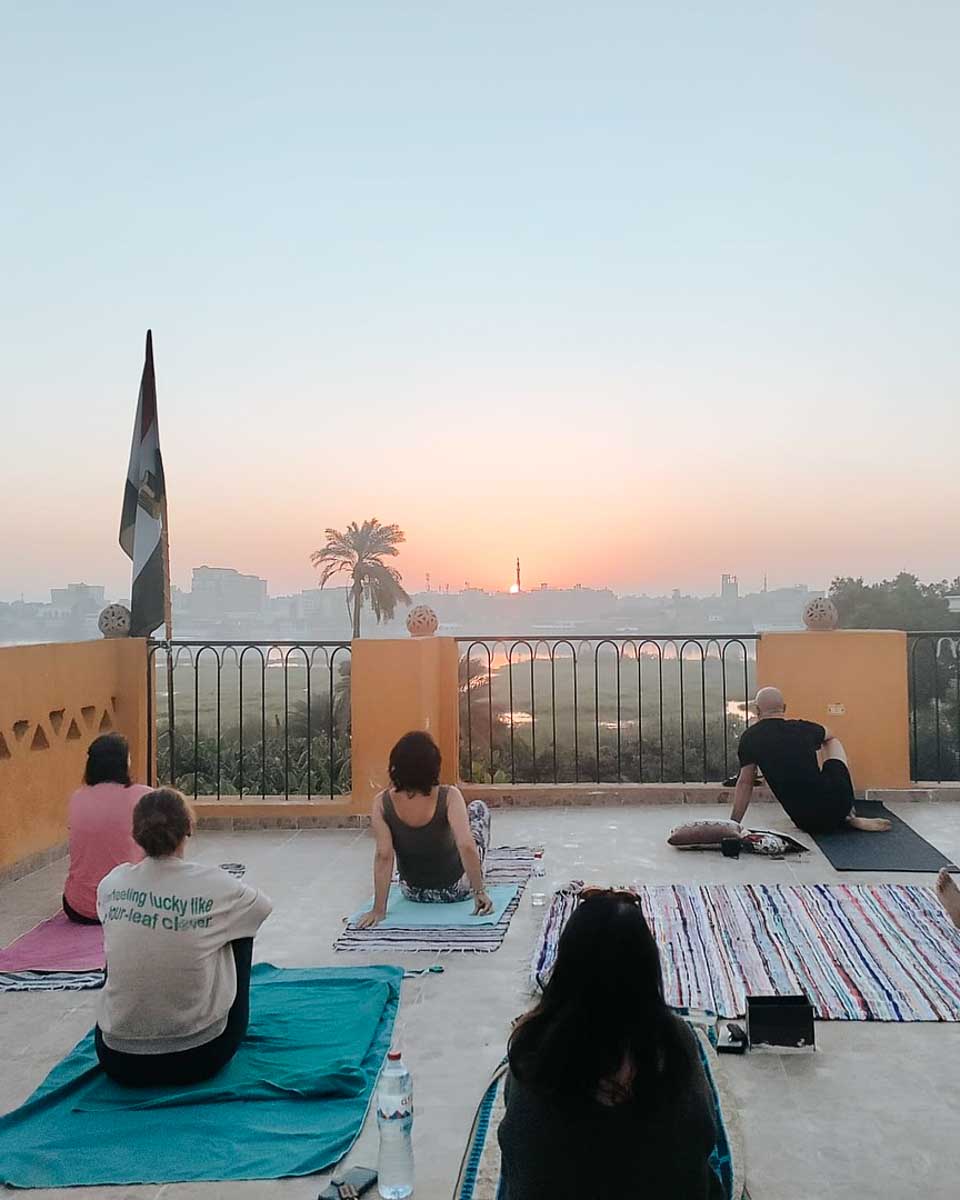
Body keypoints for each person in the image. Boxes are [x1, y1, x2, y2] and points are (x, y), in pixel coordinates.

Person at [498, 889, 723, 1199]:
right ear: (648, 970)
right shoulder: (675, 1042)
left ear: (565, 969)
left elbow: (519, 1157)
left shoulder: (532, 1051)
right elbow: (703, 1136)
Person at [95, 787, 273, 1086]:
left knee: (127, 933)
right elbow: (262, 907)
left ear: (136, 833)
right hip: (200, 1055)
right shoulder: (214, 883)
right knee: (240, 927)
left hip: (117, 1057)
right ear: (188, 827)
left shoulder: (111, 884)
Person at [355, 730, 494, 928]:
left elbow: (384, 855)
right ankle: (481, 871)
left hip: (413, 891)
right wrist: (479, 891)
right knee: (477, 809)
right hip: (455, 891)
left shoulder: (381, 802)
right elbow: (466, 846)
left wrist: (379, 910)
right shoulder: (449, 796)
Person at [731, 686, 891, 834]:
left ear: (758, 710)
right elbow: (831, 733)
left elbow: (745, 783)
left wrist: (733, 824)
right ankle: (849, 812)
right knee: (832, 740)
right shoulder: (803, 728)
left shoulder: (750, 738)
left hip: (807, 821)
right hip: (839, 805)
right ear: (784, 708)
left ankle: (845, 816)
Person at [62, 734, 152, 924]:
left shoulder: (77, 797)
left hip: (78, 907)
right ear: (124, 763)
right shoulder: (144, 796)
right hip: (128, 905)